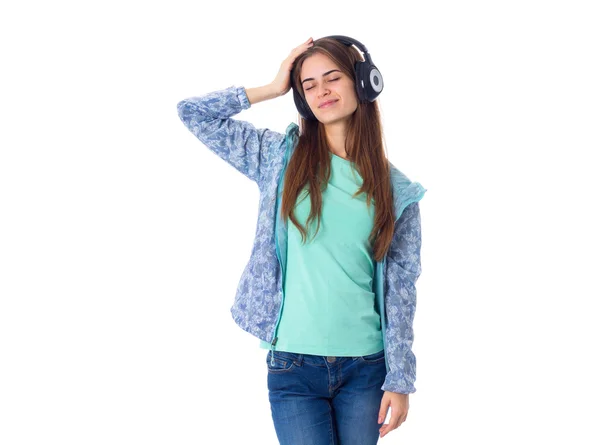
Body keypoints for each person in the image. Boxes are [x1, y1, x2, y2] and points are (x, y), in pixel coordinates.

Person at [177, 35, 427, 445]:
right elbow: (192, 114)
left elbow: (402, 291)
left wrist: (400, 379)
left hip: (366, 368)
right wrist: (272, 88)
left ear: (364, 83)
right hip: (293, 366)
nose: (321, 91)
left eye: (333, 78)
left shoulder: (398, 192)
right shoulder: (278, 158)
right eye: (308, 85)